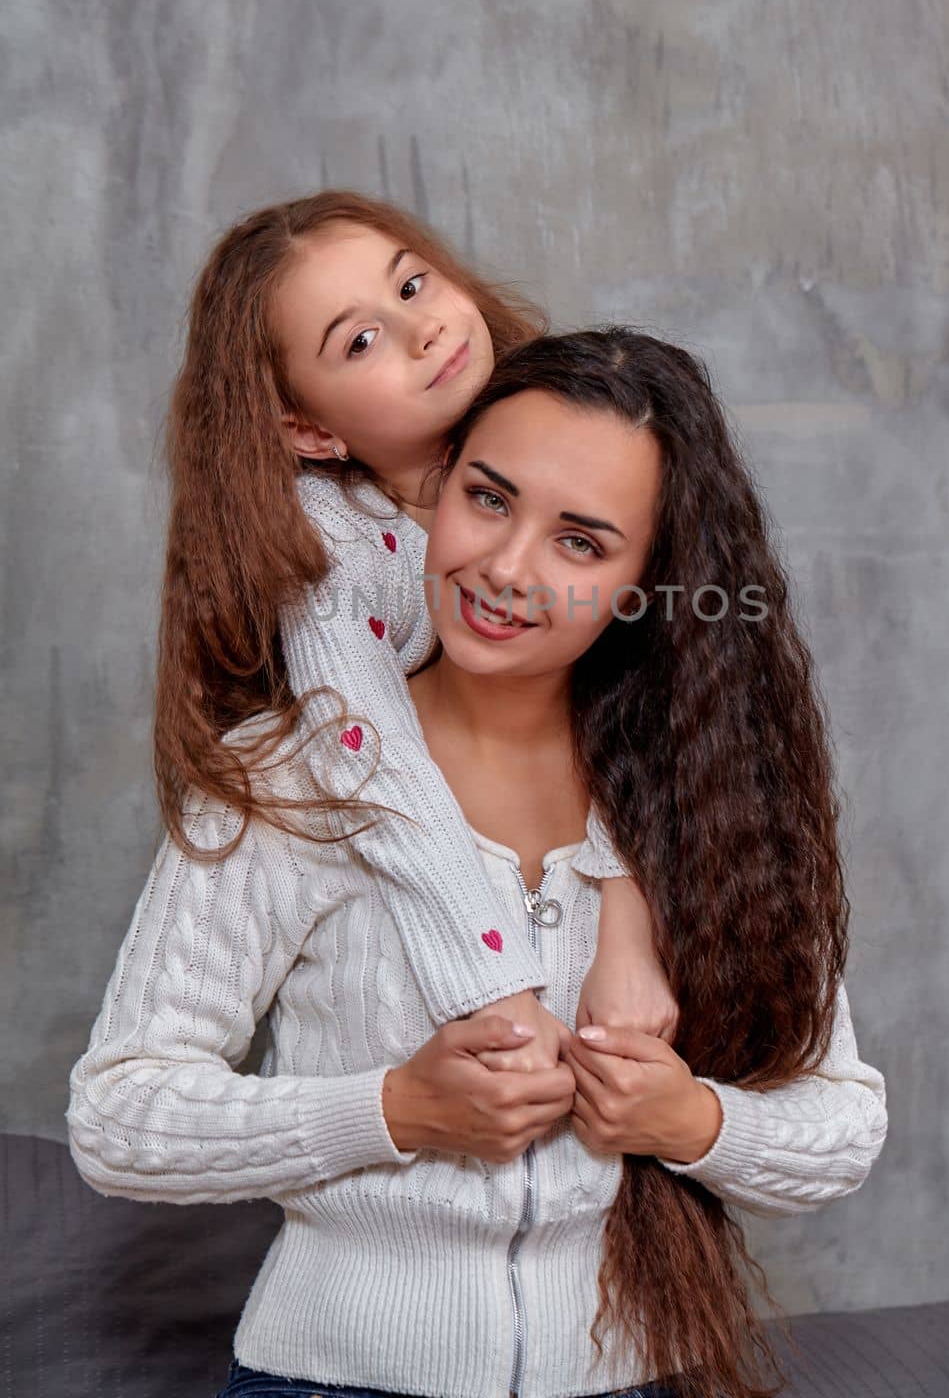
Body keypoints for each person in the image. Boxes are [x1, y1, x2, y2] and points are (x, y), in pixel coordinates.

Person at [67, 327, 888, 1398]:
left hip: (643, 1374)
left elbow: (840, 1125)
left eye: (580, 543)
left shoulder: (704, 806)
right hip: (333, 1379)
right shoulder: (291, 775)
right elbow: (121, 1117)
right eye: (488, 498)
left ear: (644, 583)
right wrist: (398, 1108)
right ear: (435, 491)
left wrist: (688, 1120)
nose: (504, 568)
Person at [152, 190, 676, 1076]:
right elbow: (375, 758)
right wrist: (494, 987)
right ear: (308, 429)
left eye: (413, 287)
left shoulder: (562, 435)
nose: (422, 331)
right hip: (408, 857)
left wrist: (628, 922)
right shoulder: (331, 556)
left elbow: (648, 693)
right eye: (359, 342)